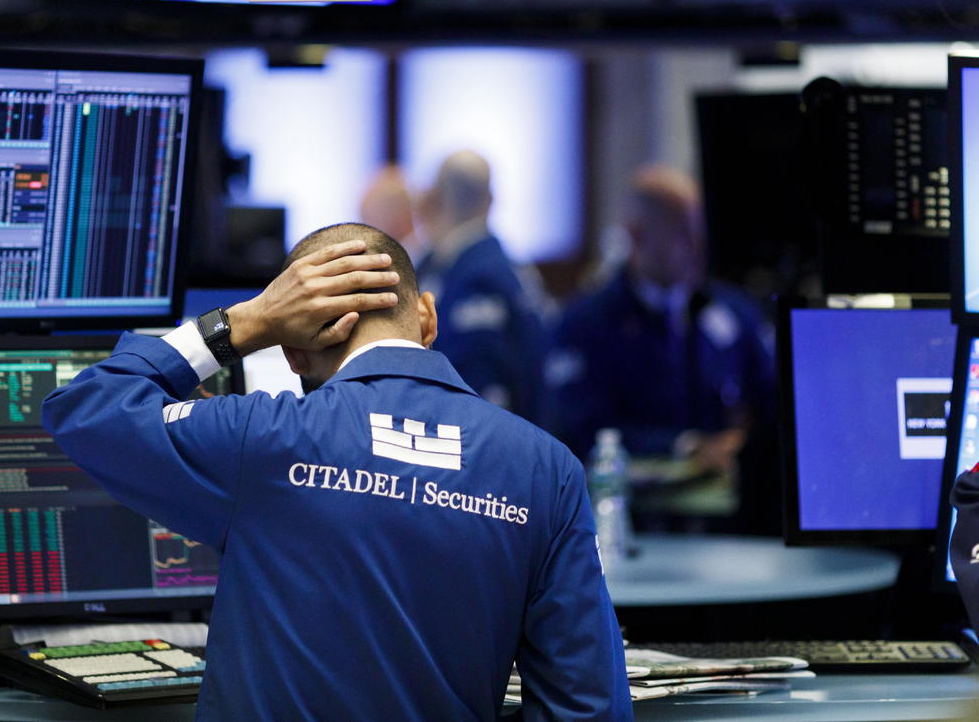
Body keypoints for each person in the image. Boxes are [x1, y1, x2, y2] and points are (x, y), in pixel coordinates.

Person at [44, 222, 631, 721]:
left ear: (292, 351)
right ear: (427, 317)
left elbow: (87, 407)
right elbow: (589, 706)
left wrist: (248, 321)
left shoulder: (263, 436)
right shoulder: (548, 469)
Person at [543, 166, 777, 528]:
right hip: (636, 521)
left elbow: (772, 397)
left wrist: (745, 445)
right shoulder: (585, 325)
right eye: (682, 232)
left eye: (698, 230)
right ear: (637, 235)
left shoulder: (730, 312)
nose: (697, 246)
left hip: (730, 522)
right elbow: (582, 429)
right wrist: (687, 446)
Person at [415, 150, 547, 422]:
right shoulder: (510, 268)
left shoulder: (474, 275)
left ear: (433, 200)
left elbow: (474, 385)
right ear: (490, 200)